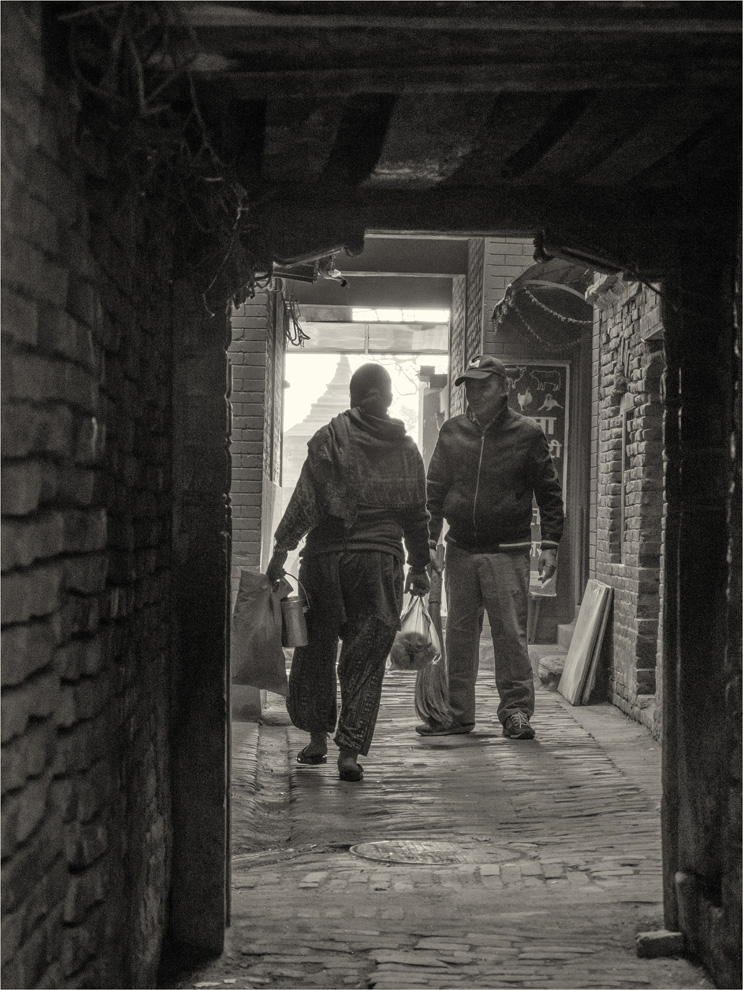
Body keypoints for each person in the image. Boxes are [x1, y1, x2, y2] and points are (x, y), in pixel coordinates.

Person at [266, 363, 430, 781]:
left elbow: (305, 503)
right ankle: (349, 754)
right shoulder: (406, 450)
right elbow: (416, 515)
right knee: (365, 659)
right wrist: (419, 565)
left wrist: (281, 551)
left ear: (354, 397)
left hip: (324, 563)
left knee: (316, 652)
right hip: (378, 564)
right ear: (387, 398)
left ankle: (317, 741)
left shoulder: (329, 438)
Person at [419, 354, 564, 740]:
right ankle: (457, 713)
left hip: (508, 551)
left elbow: (549, 492)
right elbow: (434, 491)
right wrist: (428, 541)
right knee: (459, 635)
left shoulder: (527, 433)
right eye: (470, 385)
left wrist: (550, 545)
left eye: (483, 385)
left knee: (510, 636)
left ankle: (516, 712)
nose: (474, 392)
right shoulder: (452, 432)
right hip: (461, 549)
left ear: (503, 387)